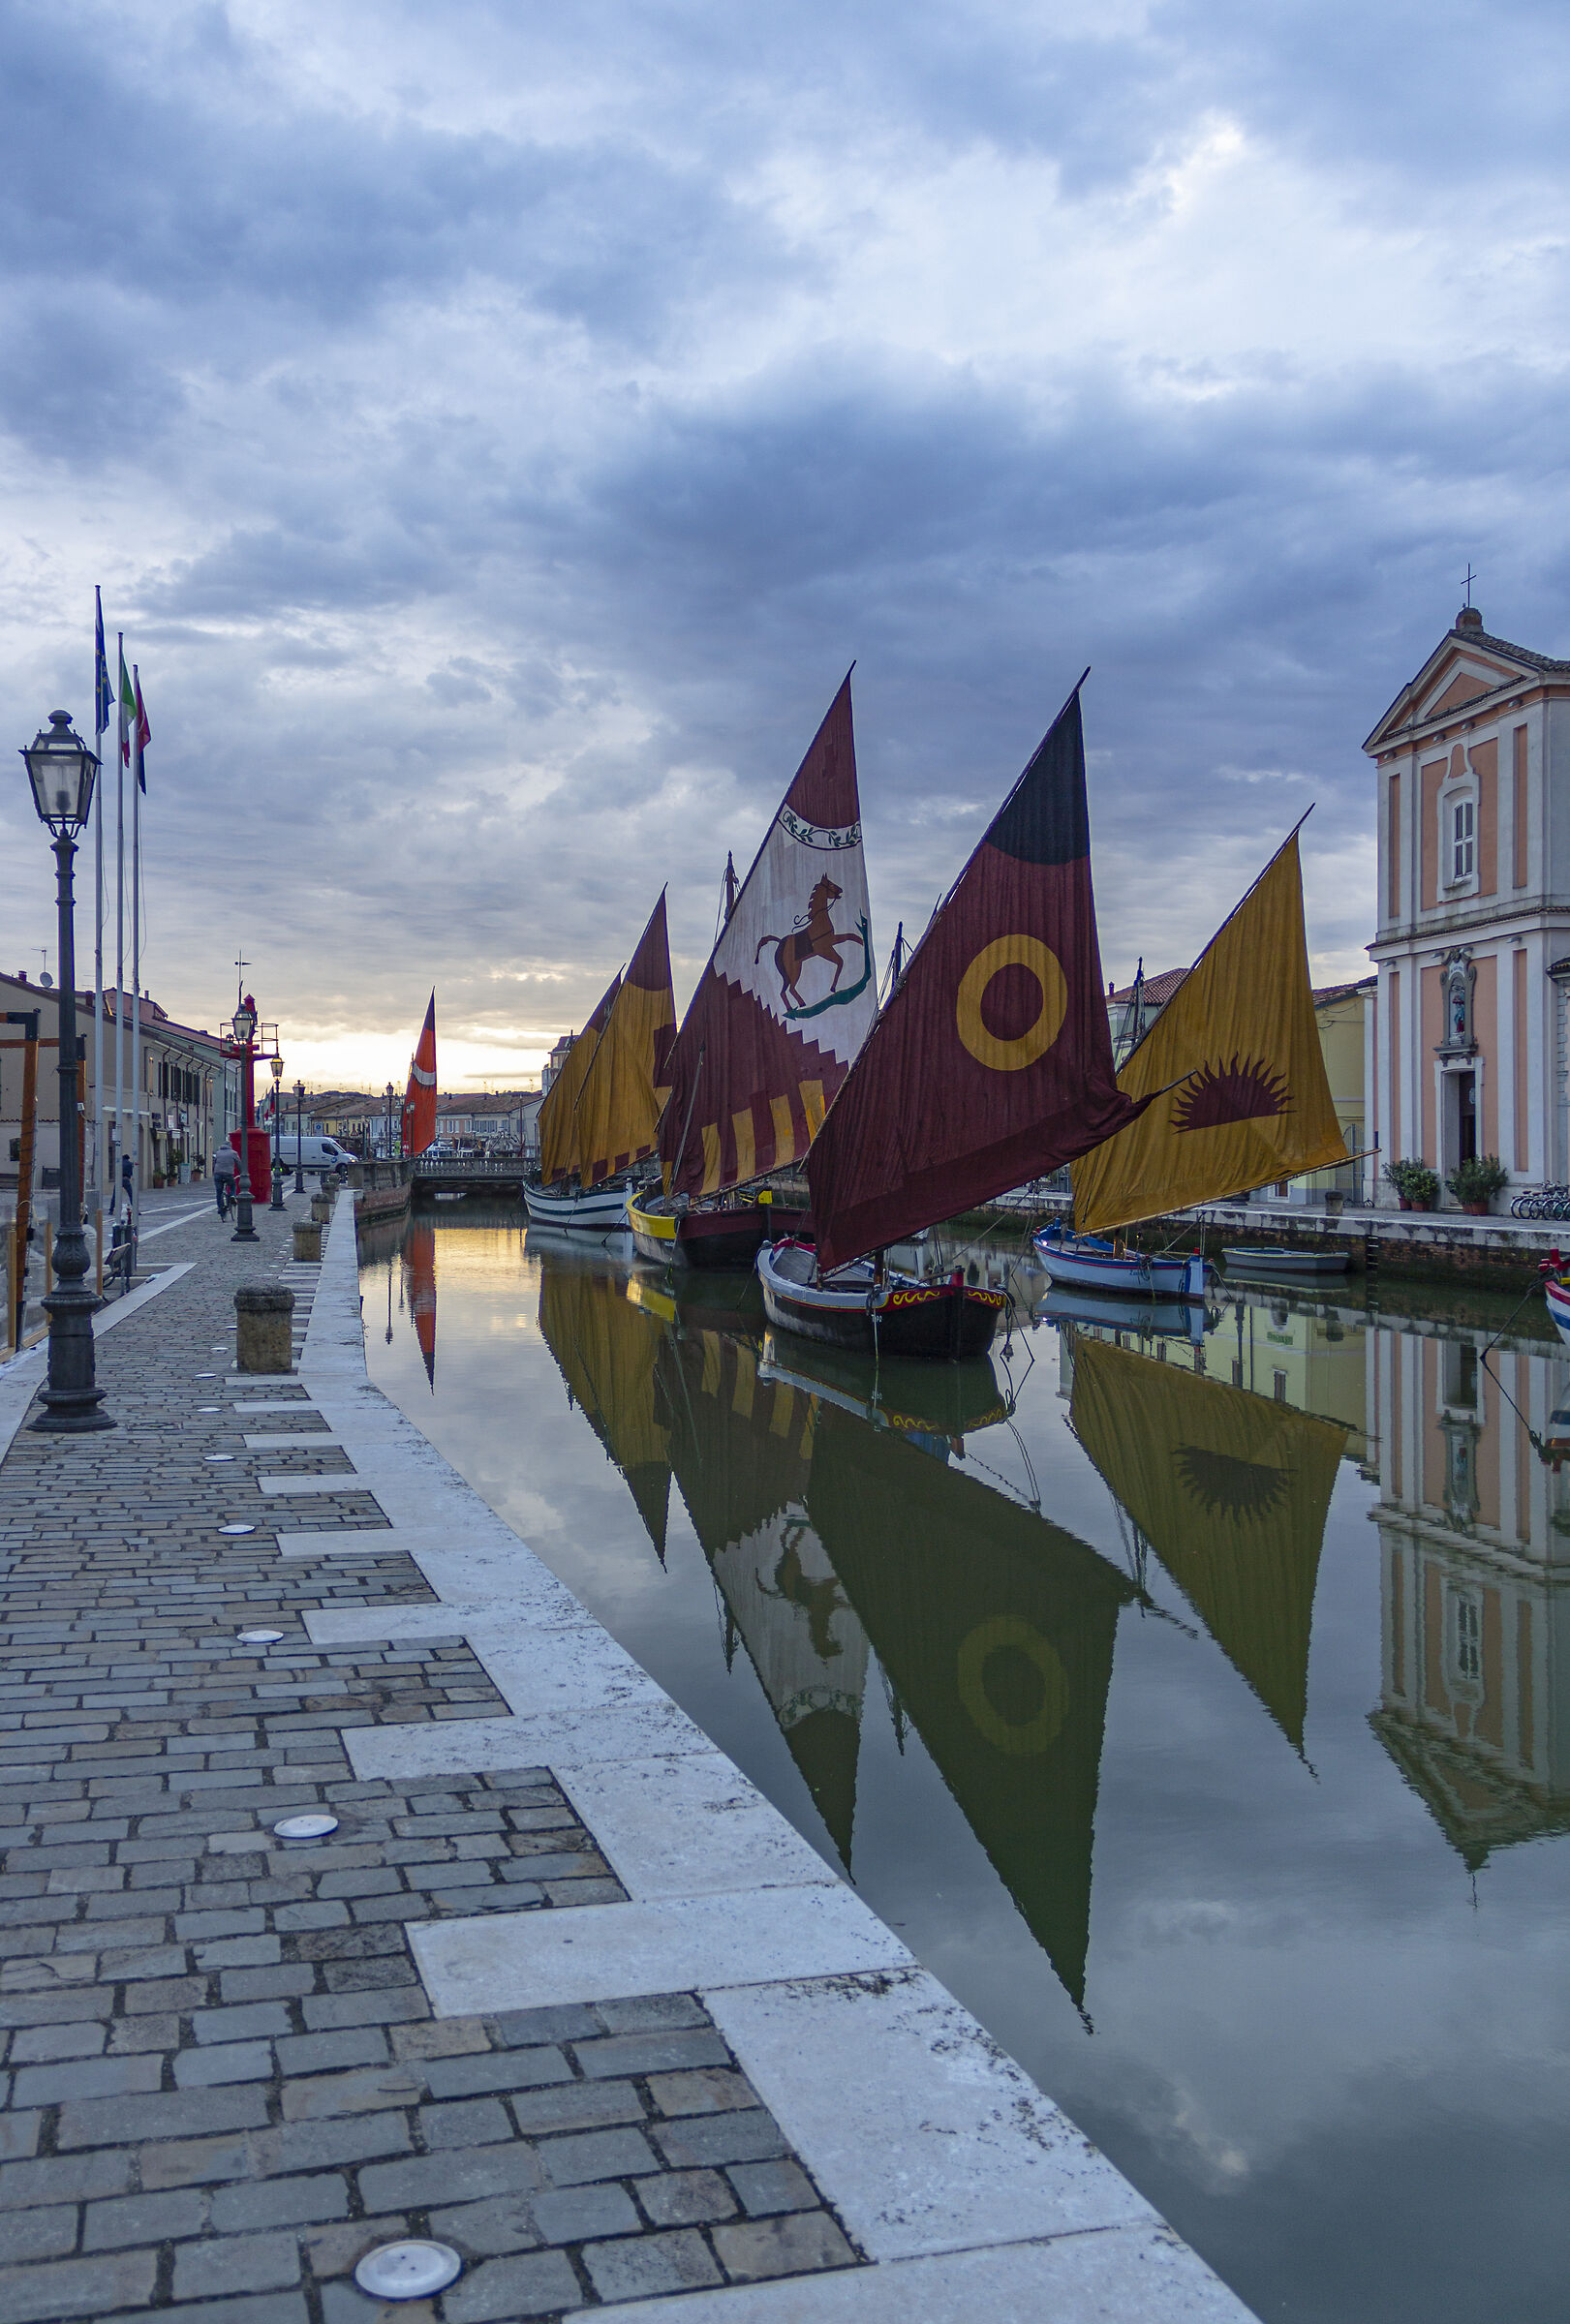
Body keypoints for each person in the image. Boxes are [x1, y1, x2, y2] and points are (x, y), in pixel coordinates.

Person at [213, 1144, 238, 1218]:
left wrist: (214, 1172)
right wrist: (242, 1173)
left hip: (218, 1174)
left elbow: (214, 1163)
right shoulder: (233, 1153)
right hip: (228, 1174)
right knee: (233, 1185)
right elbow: (238, 1163)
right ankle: (233, 1196)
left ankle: (220, 1208)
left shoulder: (218, 1153)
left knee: (219, 1192)